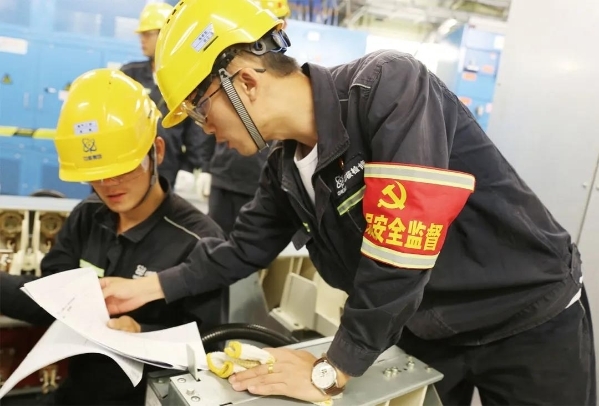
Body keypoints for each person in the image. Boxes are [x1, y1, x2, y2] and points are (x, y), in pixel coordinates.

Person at [100, 1, 594, 405]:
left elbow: (402, 244)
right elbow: (243, 248)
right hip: (429, 328)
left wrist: (333, 368)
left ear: (246, 83)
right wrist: (147, 288)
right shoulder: (284, 169)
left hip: (526, 317)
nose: (206, 130)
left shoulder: (387, 87)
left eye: (201, 110)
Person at [0, 68, 225, 405]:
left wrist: (142, 333)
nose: (108, 185)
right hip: (77, 394)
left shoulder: (198, 240)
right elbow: (51, 302)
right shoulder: (88, 215)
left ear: (157, 152)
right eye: (96, 174)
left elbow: (210, 347)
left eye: (122, 169)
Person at [196, 0, 292, 235]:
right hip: (225, 175)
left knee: (251, 241)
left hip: (259, 180)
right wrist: (206, 167)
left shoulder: (285, 78)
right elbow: (211, 121)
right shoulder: (225, 71)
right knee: (217, 238)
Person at [120, 2, 210, 187]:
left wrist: (191, 165)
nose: (142, 40)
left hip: (168, 168)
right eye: (141, 35)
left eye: (147, 34)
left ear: (166, 35)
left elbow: (195, 129)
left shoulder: (186, 79)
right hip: (129, 166)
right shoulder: (129, 74)